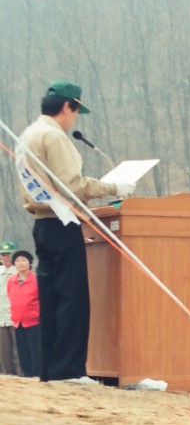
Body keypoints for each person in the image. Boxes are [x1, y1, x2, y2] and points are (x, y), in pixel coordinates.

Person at [17, 81, 134, 384]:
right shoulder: (54, 136)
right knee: (72, 296)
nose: (75, 119)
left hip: (42, 223)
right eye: (77, 111)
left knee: (52, 297)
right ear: (68, 106)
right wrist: (113, 186)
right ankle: (69, 369)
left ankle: (51, 369)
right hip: (62, 220)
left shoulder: (28, 134)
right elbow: (72, 184)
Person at [6, 250, 41, 377]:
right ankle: (26, 374)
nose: (20, 263)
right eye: (17, 261)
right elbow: (10, 297)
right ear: (14, 264)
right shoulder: (11, 280)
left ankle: (38, 374)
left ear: (30, 263)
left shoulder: (36, 278)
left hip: (34, 321)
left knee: (36, 350)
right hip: (17, 321)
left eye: (24, 260)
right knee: (22, 351)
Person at [0, 241, 19, 376]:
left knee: (18, 349)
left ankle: (22, 375)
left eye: (8, 254)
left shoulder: (19, 272)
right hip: (1, 317)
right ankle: (8, 375)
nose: (5, 257)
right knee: (4, 349)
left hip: (16, 315)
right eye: (3, 254)